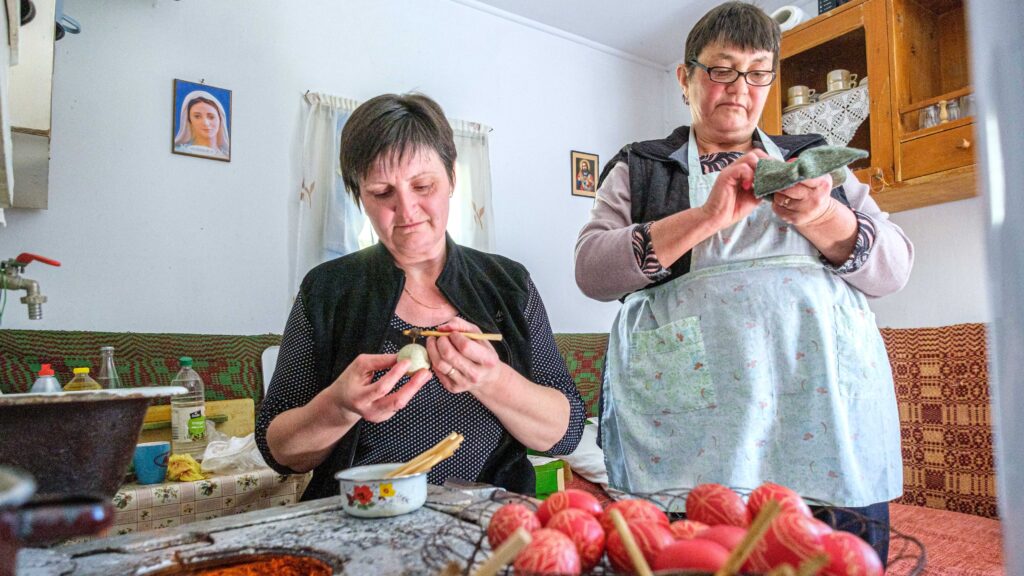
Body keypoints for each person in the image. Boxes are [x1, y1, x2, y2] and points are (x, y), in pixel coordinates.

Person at [574, 1, 913, 558]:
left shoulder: (816, 162)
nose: (740, 87)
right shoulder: (640, 166)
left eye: (757, 73)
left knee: (837, 563)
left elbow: (894, 267)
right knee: (699, 560)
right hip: (694, 433)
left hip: (822, 421)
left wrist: (820, 216)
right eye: (721, 70)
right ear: (685, 78)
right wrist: (704, 218)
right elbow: (592, 270)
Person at [257, 93, 586, 501]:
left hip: (488, 524)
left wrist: (492, 379)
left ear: (452, 177)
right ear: (359, 196)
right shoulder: (326, 289)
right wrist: (339, 406)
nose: (407, 209)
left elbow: (566, 433)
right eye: (381, 192)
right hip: (359, 524)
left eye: (423, 185)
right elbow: (279, 449)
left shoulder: (508, 284)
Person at [173, 90, 230, 159]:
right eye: (197, 116)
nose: (206, 123)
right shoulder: (179, 151)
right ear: (189, 120)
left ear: (220, 119)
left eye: (211, 117)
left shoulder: (225, 156)